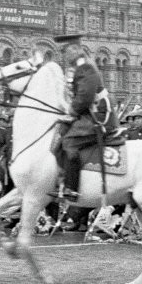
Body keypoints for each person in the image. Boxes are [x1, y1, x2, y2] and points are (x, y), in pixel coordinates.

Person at [55, 34, 119, 201]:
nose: (65, 55)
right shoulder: (79, 67)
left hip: (98, 116)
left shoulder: (85, 68)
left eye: (67, 51)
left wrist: (71, 112)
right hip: (89, 113)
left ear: (76, 50)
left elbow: (85, 96)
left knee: (69, 142)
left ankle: (72, 188)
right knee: (61, 132)